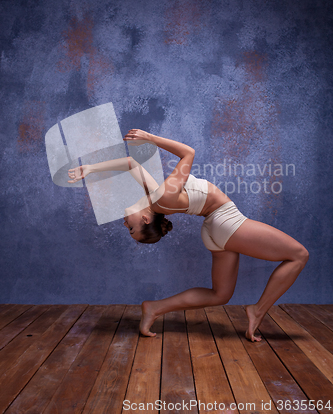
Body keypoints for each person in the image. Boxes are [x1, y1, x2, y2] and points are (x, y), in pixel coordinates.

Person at [68, 129, 309, 342]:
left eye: (127, 228)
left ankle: (154, 308)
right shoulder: (162, 198)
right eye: (130, 228)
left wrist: (90, 169)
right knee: (298, 255)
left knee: (220, 295)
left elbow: (131, 163)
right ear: (144, 219)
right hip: (224, 220)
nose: (124, 223)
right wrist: (151, 139)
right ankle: (257, 311)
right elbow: (188, 153)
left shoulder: (156, 197)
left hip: (213, 229)